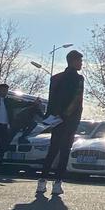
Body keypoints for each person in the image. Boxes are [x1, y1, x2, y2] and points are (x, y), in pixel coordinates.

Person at [36, 50, 84, 197]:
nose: (81, 63)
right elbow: (77, 99)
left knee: (52, 150)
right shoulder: (79, 79)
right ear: (73, 61)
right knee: (64, 152)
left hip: (56, 119)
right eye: (79, 61)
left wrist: (51, 116)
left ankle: (42, 181)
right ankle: (57, 183)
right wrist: (68, 116)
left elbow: (52, 99)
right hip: (69, 120)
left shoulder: (55, 78)